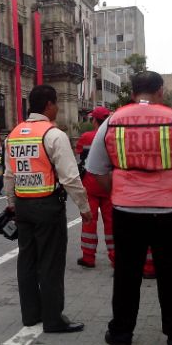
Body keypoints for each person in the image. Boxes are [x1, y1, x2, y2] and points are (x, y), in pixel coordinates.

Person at [85, 71, 172, 345]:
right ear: (161, 91)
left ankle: (120, 333)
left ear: (131, 93)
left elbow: (96, 169)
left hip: (126, 211)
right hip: (170, 212)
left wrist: (118, 191)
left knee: (127, 275)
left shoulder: (112, 122)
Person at [4, 84, 93, 334]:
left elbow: (9, 174)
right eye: (56, 104)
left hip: (23, 205)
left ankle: (30, 315)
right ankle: (54, 319)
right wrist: (84, 208)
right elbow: (70, 178)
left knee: (27, 261)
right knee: (51, 263)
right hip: (47, 205)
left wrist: (11, 203)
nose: (58, 108)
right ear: (49, 105)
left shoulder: (14, 134)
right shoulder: (53, 135)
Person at [75, 106, 114, 268]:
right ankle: (115, 257)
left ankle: (89, 257)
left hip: (90, 185)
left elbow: (79, 158)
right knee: (111, 222)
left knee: (89, 221)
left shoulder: (86, 137)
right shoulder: (113, 136)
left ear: (94, 120)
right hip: (110, 184)